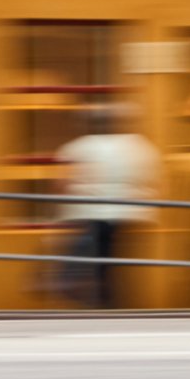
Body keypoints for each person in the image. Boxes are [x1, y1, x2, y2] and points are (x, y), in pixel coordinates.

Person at [53, 104, 160, 309]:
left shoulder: (81, 145)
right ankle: (107, 302)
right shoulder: (141, 145)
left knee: (89, 259)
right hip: (132, 214)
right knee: (109, 262)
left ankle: (92, 297)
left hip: (92, 213)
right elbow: (155, 179)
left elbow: (62, 182)